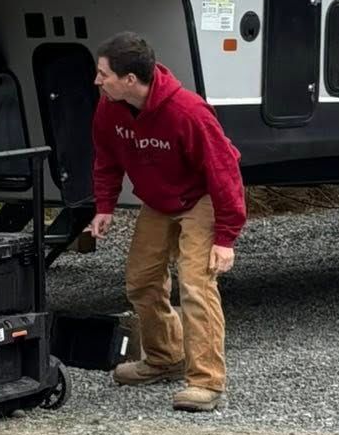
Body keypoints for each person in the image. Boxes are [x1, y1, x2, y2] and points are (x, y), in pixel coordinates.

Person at [88, 31, 246, 412]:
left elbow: (224, 173)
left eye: (103, 73)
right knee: (141, 281)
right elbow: (106, 156)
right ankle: (164, 360)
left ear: (130, 80)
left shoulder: (188, 112)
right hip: (158, 202)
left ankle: (207, 382)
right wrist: (105, 206)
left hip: (200, 199)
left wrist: (225, 237)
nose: (97, 80)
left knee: (196, 284)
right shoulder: (109, 107)